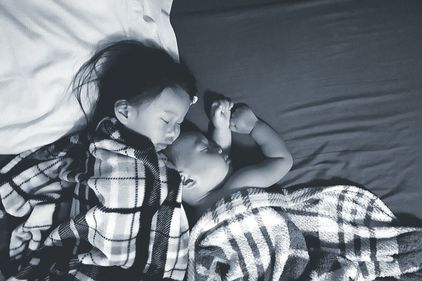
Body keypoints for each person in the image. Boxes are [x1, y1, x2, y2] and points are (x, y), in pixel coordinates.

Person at [0, 40, 198, 280]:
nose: (175, 132)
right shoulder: (103, 148)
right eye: (167, 121)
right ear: (124, 111)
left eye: (179, 124)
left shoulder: (157, 159)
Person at [165, 98, 293, 222]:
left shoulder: (190, 219)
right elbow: (282, 160)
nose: (218, 148)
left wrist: (221, 128)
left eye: (211, 144)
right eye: (206, 148)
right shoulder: (239, 185)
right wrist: (254, 126)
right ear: (188, 180)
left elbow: (221, 159)